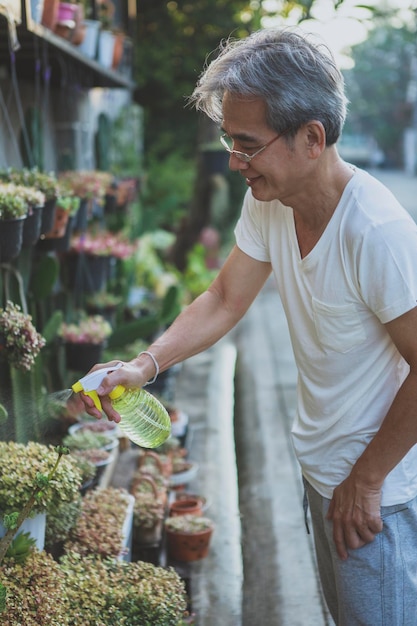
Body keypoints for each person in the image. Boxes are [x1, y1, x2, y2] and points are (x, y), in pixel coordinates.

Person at [79, 28, 417, 625]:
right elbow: (224, 297)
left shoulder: (377, 232)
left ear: (312, 138)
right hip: (325, 472)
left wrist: (364, 482)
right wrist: (143, 365)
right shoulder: (269, 200)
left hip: (378, 495)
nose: (235, 162)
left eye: (249, 144)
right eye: (230, 140)